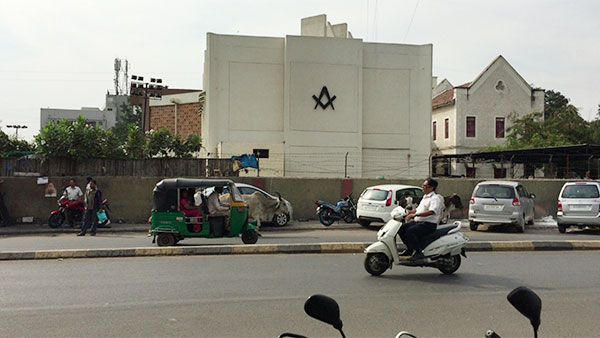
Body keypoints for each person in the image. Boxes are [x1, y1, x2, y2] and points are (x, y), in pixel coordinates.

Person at [398, 178, 443, 261]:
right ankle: (410, 249)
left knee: (410, 231)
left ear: (431, 188)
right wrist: (406, 212)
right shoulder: (425, 197)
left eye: (425, 186)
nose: (423, 187)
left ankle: (419, 252)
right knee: (401, 228)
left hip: (428, 224)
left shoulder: (435, 198)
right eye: (423, 185)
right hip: (419, 222)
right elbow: (418, 210)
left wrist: (415, 214)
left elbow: (432, 211)